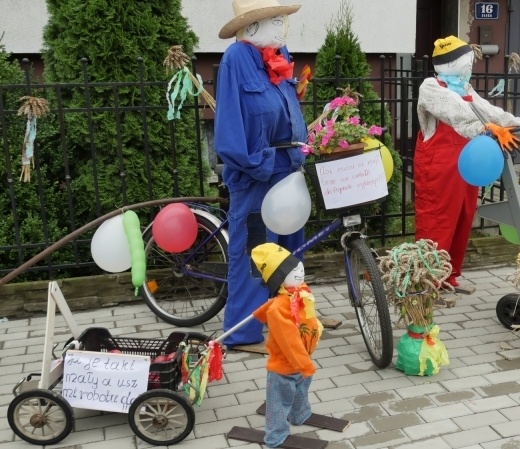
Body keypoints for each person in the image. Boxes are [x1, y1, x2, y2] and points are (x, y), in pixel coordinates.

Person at [215, 0, 307, 346]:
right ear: (251, 27)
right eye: (276, 20)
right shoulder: (236, 59)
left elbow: (289, 107)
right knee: (256, 253)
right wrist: (257, 163)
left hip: (288, 169)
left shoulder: (279, 52)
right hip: (256, 174)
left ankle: (289, 316)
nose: (283, 28)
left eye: (284, 20)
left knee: (290, 249)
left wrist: (302, 146)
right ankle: (242, 330)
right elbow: (229, 128)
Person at [415, 35, 520, 287]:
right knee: (437, 220)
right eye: (466, 60)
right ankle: (426, 279)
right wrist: (485, 129)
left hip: (467, 163)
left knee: (463, 216)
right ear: (450, 63)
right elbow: (457, 113)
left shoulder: (464, 89)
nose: (470, 65)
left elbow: (489, 111)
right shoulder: (431, 88)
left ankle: (449, 275)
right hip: (439, 164)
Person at [250, 243, 322, 448]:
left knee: (301, 391)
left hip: (303, 358)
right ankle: (275, 436)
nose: (300, 272)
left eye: (299, 266)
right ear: (280, 280)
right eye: (293, 271)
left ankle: (300, 414)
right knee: (278, 402)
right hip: (284, 365)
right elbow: (289, 341)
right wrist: (304, 364)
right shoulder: (279, 309)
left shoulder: (299, 292)